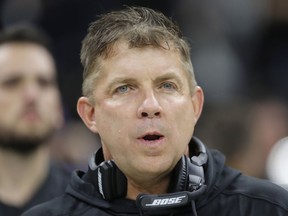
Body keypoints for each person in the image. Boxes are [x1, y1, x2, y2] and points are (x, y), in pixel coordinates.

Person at [22, 6, 288, 216]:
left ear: (195, 105)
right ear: (90, 114)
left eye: (167, 86)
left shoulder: (271, 208)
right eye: (125, 88)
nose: (150, 106)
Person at [0, 24, 70, 215]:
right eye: (12, 82)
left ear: (58, 107)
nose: (32, 94)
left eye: (44, 82)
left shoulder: (89, 206)